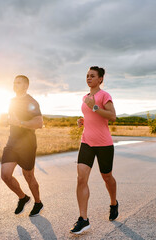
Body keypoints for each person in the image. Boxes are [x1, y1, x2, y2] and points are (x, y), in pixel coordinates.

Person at [70, 66, 119, 234]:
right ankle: (83, 219)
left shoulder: (105, 96)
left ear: (100, 79)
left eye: (92, 76)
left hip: (104, 144)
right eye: (87, 76)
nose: (89, 78)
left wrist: (95, 107)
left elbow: (112, 116)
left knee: (107, 177)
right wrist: (83, 120)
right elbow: (92, 117)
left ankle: (113, 202)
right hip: (86, 142)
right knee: (81, 179)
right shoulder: (85, 97)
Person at [1, 75, 44, 217]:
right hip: (12, 142)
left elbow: (39, 123)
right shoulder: (11, 101)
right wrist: (7, 121)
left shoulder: (32, 102)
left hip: (27, 144)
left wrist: (20, 123)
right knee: (5, 175)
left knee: (28, 176)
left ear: (26, 85)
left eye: (18, 83)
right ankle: (22, 197)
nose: (15, 85)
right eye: (14, 82)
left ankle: (38, 202)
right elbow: (11, 119)